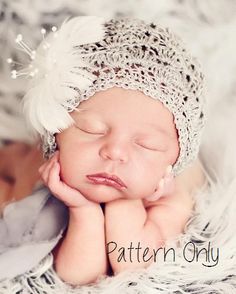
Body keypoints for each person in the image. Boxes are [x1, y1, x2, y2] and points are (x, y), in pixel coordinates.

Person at [0, 16, 207, 286]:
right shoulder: (45, 162)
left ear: (174, 160)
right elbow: (76, 274)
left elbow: (125, 263)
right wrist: (82, 207)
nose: (115, 152)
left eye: (146, 145)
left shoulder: (171, 198)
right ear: (57, 133)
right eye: (92, 130)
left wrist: (117, 203)